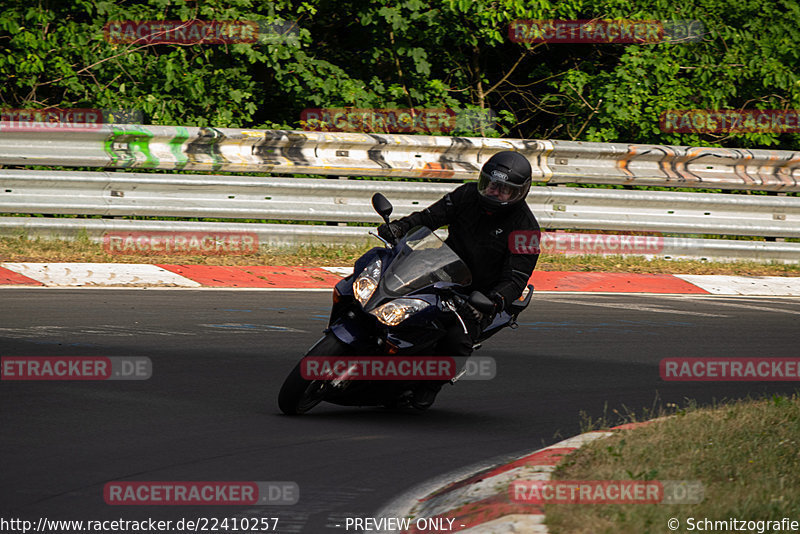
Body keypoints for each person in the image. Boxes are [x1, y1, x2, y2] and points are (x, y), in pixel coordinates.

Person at [377, 150, 541, 408]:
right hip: (441, 268)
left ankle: (430, 386)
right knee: (380, 270)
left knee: (458, 337)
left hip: (477, 295)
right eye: (490, 184)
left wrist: (493, 300)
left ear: (519, 193)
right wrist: (399, 228)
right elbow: (429, 219)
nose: (493, 192)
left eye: (503, 189)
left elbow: (516, 277)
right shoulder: (467, 195)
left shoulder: (526, 229)